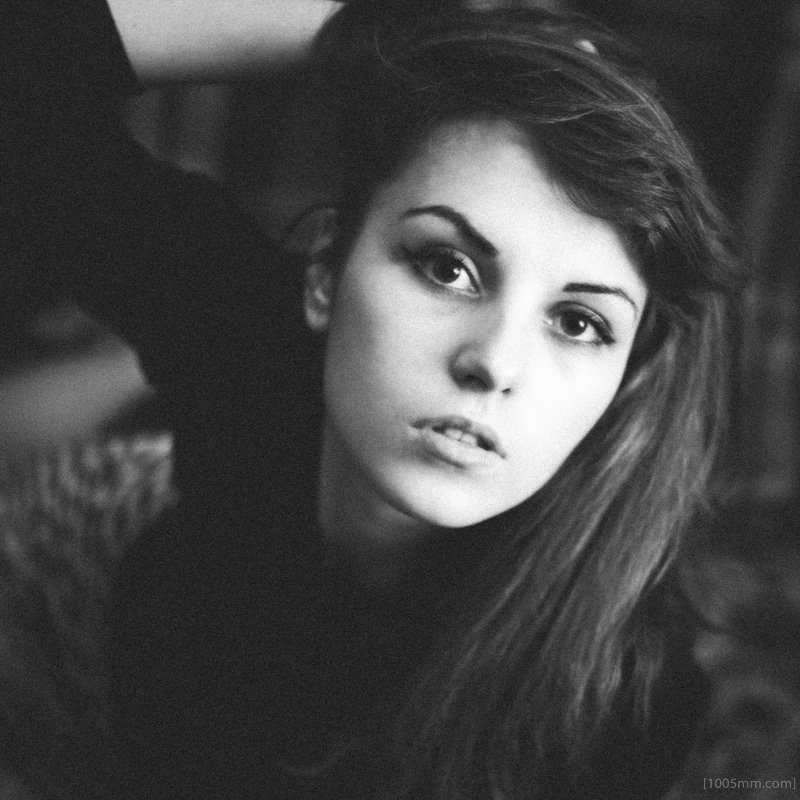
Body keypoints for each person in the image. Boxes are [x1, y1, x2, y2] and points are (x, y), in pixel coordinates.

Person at [2, 0, 739, 797]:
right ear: (324, 275)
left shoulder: (622, 701)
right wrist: (385, 24)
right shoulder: (251, 335)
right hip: (106, 587)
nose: (495, 362)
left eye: (579, 322)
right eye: (446, 268)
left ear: (625, 377)